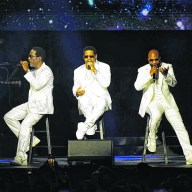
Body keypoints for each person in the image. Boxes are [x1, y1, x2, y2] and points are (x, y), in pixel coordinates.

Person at [134, 49, 192, 165]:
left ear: (159, 58)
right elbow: (137, 87)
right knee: (155, 115)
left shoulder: (168, 67)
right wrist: (150, 75)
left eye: (156, 59)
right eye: (152, 60)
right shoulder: (143, 70)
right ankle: (152, 137)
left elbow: (173, 83)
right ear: (148, 60)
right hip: (152, 102)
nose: (154, 62)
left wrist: (166, 76)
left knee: (180, 127)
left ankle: (190, 156)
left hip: (167, 102)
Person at [4, 47, 54, 165]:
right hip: (31, 104)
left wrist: (27, 71)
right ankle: (32, 141)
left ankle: (21, 157)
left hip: (41, 107)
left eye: (31, 56)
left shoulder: (47, 71)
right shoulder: (35, 71)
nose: (28, 58)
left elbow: (37, 85)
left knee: (26, 125)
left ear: (39, 58)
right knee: (8, 117)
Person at [72, 46, 112, 140]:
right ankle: (91, 125)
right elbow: (75, 86)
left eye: (91, 56)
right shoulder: (77, 71)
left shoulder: (105, 67)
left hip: (100, 97)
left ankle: (85, 126)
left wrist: (95, 70)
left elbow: (106, 84)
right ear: (83, 57)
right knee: (83, 100)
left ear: (96, 56)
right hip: (86, 97)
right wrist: (76, 92)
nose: (89, 58)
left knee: (101, 103)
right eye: (86, 57)